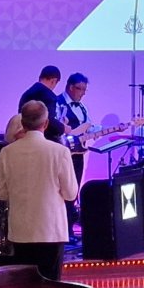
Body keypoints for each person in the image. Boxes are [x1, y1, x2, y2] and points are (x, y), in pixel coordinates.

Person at [0, 101, 78, 280]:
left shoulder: (7, 152)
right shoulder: (60, 152)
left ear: (22, 123)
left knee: (24, 286)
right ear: (46, 123)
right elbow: (71, 194)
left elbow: (1, 193)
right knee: (50, 287)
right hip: (51, 231)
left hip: (20, 231)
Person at [53, 72, 96, 243]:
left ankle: (69, 229)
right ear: (71, 87)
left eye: (85, 90)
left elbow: (89, 128)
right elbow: (54, 128)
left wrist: (112, 128)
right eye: (80, 89)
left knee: (73, 190)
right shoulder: (57, 103)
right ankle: (60, 230)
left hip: (78, 155)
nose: (83, 93)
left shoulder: (82, 108)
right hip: (62, 154)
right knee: (61, 191)